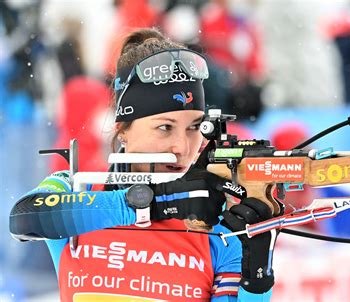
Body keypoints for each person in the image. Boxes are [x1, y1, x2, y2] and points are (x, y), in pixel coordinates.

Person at [9, 28, 277, 301]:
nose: (182, 147)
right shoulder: (79, 186)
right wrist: (155, 203)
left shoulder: (214, 222)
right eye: (164, 127)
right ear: (122, 129)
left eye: (195, 127)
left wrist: (257, 279)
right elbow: (23, 218)